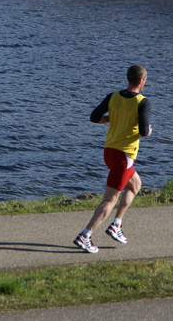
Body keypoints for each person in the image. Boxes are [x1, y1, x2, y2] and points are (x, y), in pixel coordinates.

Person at [73, 64, 152, 254]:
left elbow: (94, 117)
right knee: (110, 199)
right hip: (125, 156)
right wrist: (148, 131)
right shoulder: (143, 102)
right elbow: (143, 131)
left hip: (109, 152)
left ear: (128, 78)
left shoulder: (113, 96)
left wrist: (112, 118)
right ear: (142, 81)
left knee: (135, 186)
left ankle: (116, 224)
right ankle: (85, 235)